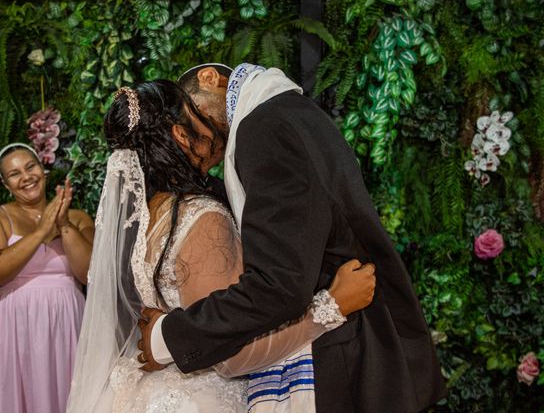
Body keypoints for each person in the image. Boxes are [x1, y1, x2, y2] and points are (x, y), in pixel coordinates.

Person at [138, 63, 446, 412]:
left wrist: (169, 338)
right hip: (354, 345)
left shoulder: (265, 128)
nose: (199, 154)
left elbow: (278, 285)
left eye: (188, 127)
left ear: (210, 77)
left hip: (339, 359)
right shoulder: (288, 112)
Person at [66, 81, 376, 413]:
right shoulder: (201, 217)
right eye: (194, 111)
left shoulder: (139, 221)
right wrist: (330, 309)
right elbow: (233, 358)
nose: (211, 120)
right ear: (182, 135)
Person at [0, 143, 94, 413]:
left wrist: (63, 225)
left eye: (30, 166)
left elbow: (88, 274)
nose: (26, 176)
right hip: (11, 327)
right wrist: (40, 232)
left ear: (43, 170)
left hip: (66, 326)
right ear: (6, 184)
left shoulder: (77, 217)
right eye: (14, 174)